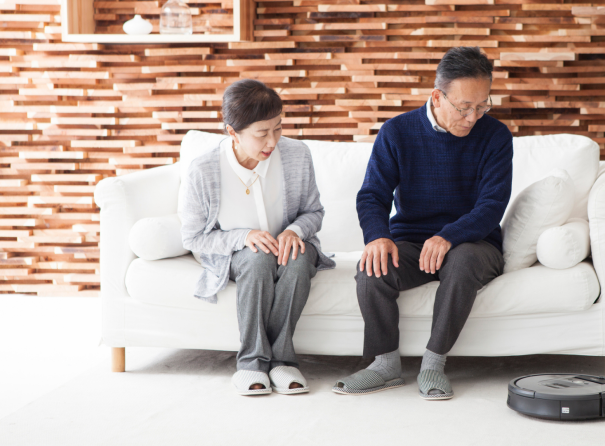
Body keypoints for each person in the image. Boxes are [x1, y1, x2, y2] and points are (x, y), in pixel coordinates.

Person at [333, 47, 513, 400]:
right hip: (413, 242)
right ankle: (384, 365)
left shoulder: (495, 136)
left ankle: (433, 365)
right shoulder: (397, 132)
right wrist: (378, 237)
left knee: (461, 262)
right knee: (372, 268)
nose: (473, 116)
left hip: (475, 243)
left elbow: (492, 206)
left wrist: (448, 236)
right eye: (464, 107)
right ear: (437, 96)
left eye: (482, 105)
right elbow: (372, 195)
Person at [179, 79, 335, 396]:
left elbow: (314, 212)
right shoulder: (204, 170)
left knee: (299, 257)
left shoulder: (296, 155)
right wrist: (244, 236)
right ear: (232, 132)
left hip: (289, 246)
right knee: (258, 258)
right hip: (237, 255)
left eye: (277, 128)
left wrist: (294, 230)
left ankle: (281, 362)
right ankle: (251, 363)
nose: (273, 140)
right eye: (261, 133)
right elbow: (194, 238)